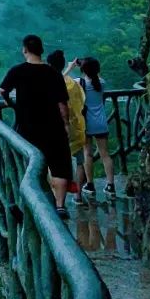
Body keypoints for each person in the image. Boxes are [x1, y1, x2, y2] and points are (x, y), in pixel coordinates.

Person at [0, 35, 73, 218]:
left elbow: (2, 90)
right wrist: (66, 124)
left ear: (24, 49)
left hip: (27, 127)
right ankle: (60, 205)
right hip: (53, 125)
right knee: (59, 164)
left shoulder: (17, 71)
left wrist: (10, 103)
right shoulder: (53, 73)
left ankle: (28, 206)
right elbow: (62, 104)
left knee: (28, 165)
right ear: (41, 50)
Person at [68, 57, 116, 203]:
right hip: (101, 123)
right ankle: (111, 186)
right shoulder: (101, 83)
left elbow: (61, 80)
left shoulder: (79, 83)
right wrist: (86, 66)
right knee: (105, 154)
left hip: (86, 124)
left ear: (82, 70)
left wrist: (71, 67)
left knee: (87, 154)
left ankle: (90, 184)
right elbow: (95, 75)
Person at [47, 50, 87, 196]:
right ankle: (79, 196)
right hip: (75, 128)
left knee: (53, 164)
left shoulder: (50, 83)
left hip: (56, 128)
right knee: (79, 161)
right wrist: (70, 69)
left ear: (48, 65)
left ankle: (56, 197)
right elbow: (81, 103)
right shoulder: (73, 84)